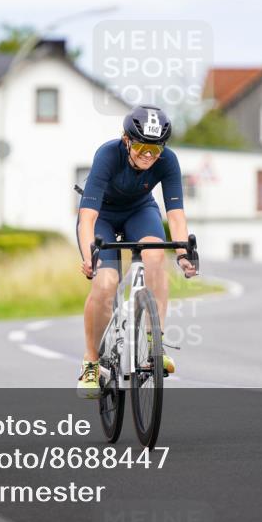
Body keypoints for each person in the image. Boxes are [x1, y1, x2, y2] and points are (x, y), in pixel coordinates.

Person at [75, 105, 197, 398]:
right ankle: (91, 362)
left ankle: (155, 345)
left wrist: (182, 254)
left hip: (139, 211)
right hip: (102, 216)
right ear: (127, 140)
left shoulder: (168, 161)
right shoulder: (108, 154)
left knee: (156, 257)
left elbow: (176, 215)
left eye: (155, 149)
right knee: (105, 283)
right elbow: (87, 217)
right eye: (142, 146)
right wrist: (88, 256)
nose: (148, 155)